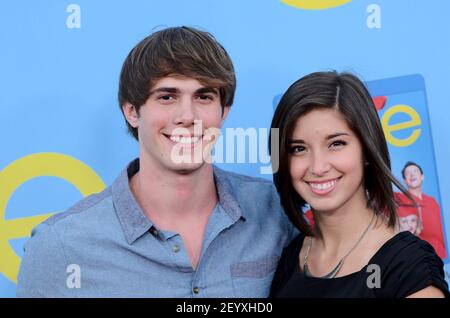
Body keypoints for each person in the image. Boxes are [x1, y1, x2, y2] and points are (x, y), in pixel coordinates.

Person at [17, 26, 296, 297]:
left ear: (223, 111)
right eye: (166, 96)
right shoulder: (61, 247)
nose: (187, 116)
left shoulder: (277, 213)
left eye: (203, 96)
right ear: (132, 112)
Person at [269, 71, 449, 298]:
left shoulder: (408, 267)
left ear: (367, 149)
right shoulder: (289, 256)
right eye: (298, 148)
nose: (318, 166)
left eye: (336, 143)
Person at [396, 162, 447, 259]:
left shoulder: (432, 201)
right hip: (422, 256)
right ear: (404, 180)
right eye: (408, 173)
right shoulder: (399, 198)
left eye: (415, 171)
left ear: (422, 176)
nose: (412, 174)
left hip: (442, 253)